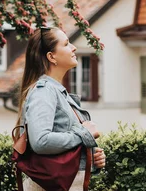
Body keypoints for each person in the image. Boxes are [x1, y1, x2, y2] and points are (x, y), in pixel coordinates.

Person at [15, 26, 106, 191]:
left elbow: (63, 149)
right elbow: (41, 141)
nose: (73, 47)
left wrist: (91, 158)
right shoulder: (44, 91)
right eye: (66, 44)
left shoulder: (57, 92)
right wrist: (84, 134)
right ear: (51, 57)